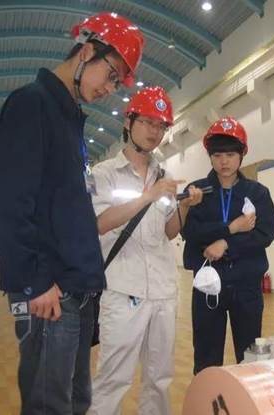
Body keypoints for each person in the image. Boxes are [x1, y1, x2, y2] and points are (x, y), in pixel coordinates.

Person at [0, 12, 144, 415]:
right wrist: (35, 280)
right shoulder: (32, 104)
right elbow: (6, 199)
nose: (110, 89)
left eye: (117, 83)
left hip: (75, 288)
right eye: (111, 75)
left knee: (76, 401)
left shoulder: (69, 120)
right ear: (86, 51)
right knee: (49, 405)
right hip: (49, 292)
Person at [89, 86, 202, 415]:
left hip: (163, 291)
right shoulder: (102, 174)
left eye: (161, 125)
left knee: (160, 379)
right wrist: (147, 196)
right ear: (129, 122)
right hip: (124, 290)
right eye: (148, 122)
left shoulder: (164, 176)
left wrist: (185, 207)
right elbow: (99, 223)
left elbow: (168, 231)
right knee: (113, 379)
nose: (155, 131)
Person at [182, 117, 274, 374]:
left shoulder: (258, 193)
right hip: (207, 284)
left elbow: (265, 233)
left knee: (250, 356)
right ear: (210, 156)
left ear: (242, 154)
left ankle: (248, 396)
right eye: (217, 155)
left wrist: (225, 243)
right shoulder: (197, 192)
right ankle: (206, 396)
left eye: (230, 155)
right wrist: (231, 228)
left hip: (246, 284)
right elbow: (190, 232)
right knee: (206, 355)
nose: (223, 161)